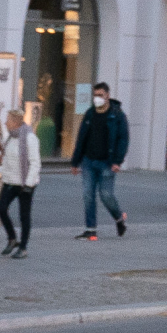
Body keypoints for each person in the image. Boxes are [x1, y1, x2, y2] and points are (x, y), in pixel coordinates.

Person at [70, 81, 128, 241]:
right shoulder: (90, 114)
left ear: (108, 96)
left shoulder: (117, 115)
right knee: (88, 194)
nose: (97, 98)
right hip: (88, 161)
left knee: (106, 195)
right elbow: (81, 138)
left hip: (107, 162)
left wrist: (118, 161)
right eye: (95, 95)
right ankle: (90, 229)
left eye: (100, 95)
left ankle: (119, 219)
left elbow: (123, 139)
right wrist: (75, 162)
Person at [0, 106, 41, 258]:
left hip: (25, 184)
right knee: (1, 208)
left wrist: (28, 185)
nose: (5, 123)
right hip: (10, 181)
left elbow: (35, 163)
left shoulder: (29, 138)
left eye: (8, 120)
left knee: (24, 215)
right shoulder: (9, 137)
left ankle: (23, 247)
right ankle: (12, 238)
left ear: (15, 122)